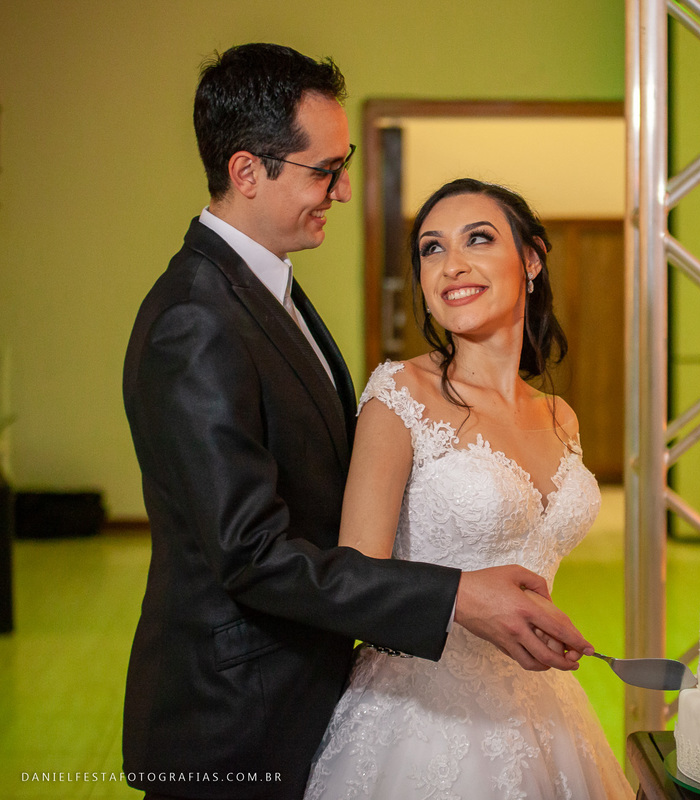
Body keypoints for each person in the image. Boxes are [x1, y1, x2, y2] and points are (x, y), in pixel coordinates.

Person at [122, 45, 591, 800]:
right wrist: (457, 596)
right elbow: (250, 554)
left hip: (328, 685)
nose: (342, 191)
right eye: (326, 170)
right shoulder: (196, 318)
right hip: (236, 716)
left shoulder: (265, 292)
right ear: (247, 171)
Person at [302, 178, 633, 799]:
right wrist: (461, 601)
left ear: (531, 259)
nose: (451, 264)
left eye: (477, 239)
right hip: (421, 720)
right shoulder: (399, 396)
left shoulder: (561, 417)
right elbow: (354, 580)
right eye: (432, 249)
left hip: (544, 711)